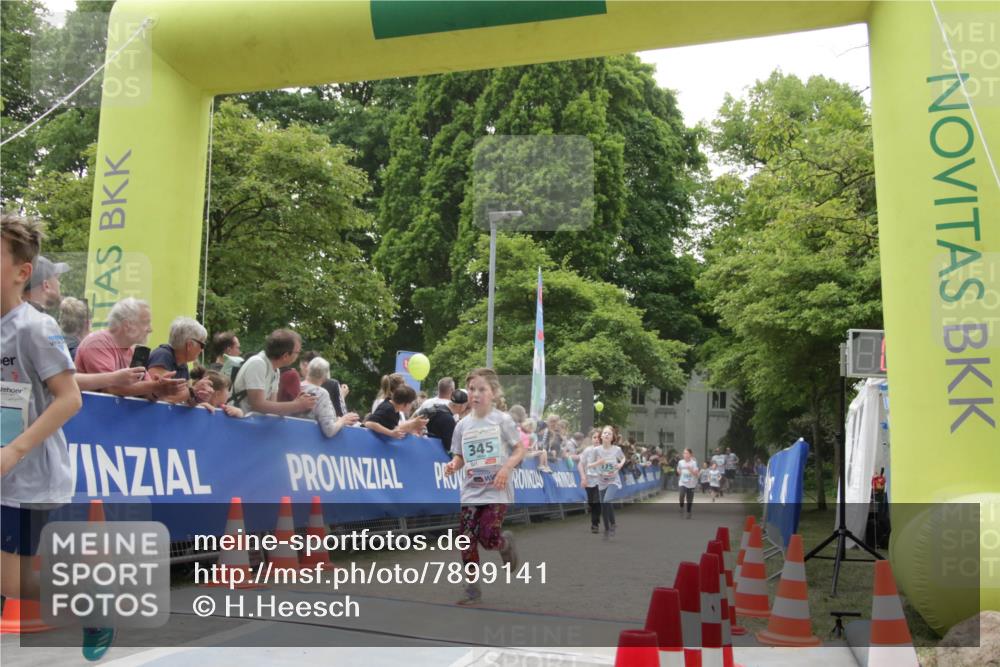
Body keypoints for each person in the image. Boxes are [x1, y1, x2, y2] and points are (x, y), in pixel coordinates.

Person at [1, 215, 111, 660]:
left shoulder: (35, 327)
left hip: (24, 475)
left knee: (13, 581)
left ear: (21, 272)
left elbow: (69, 399)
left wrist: (13, 449)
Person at [444, 368, 525, 605]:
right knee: (466, 539)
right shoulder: (462, 425)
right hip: (471, 490)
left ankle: (505, 543)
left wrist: (505, 468)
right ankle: (472, 589)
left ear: (493, 393)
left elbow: (520, 449)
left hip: (496, 491)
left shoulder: (502, 420)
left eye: (482, 389)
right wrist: (453, 465)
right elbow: (459, 456)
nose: (475, 394)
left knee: (489, 538)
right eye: (471, 389)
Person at [74, 297, 187, 399]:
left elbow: (146, 391)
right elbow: (110, 388)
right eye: (146, 323)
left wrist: (160, 388)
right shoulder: (98, 342)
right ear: (128, 325)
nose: (150, 329)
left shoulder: (133, 351)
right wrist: (155, 386)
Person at [230, 328, 316, 416]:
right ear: (285, 355)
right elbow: (258, 405)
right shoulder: (257, 363)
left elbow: (271, 408)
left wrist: (297, 404)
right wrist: (296, 405)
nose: (298, 356)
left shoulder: (275, 370)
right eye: (297, 352)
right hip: (237, 423)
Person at [147, 316, 208, 403]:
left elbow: (185, 399)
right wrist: (192, 391)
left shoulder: (182, 364)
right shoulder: (162, 355)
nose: (202, 350)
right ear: (189, 345)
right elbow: (164, 398)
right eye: (202, 345)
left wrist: (199, 399)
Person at [300, 357, 359, 437]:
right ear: (325, 377)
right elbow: (329, 430)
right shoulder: (322, 393)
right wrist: (343, 420)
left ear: (308, 370)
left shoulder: (298, 387)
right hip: (311, 442)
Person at [584, 424, 625, 539]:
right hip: (601, 481)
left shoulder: (617, 449)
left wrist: (620, 465)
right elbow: (589, 465)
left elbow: (623, 458)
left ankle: (613, 524)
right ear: (601, 436)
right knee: (604, 504)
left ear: (613, 438)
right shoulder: (596, 450)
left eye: (609, 433)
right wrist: (598, 463)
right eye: (605, 433)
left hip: (614, 480)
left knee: (607, 500)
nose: (606, 434)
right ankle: (608, 527)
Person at [417, 388, 468, 453]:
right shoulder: (448, 420)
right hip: (435, 455)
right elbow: (450, 447)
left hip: (423, 449)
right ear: (462, 406)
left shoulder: (436, 408)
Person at [578, 428, 602, 534]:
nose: (597, 440)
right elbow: (580, 464)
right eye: (594, 437)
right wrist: (583, 478)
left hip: (600, 480)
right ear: (591, 439)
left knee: (597, 501)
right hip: (589, 480)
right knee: (592, 502)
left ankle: (594, 524)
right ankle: (596, 515)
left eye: (598, 437)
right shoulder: (587, 450)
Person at [676, 448, 699, 519]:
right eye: (684, 453)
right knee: (681, 495)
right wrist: (678, 471)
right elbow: (678, 469)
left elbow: (696, 474)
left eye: (686, 453)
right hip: (682, 482)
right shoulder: (680, 462)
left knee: (689, 499)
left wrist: (691, 470)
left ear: (690, 454)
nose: (684, 454)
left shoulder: (694, 463)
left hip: (691, 483)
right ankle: (681, 506)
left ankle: (689, 512)